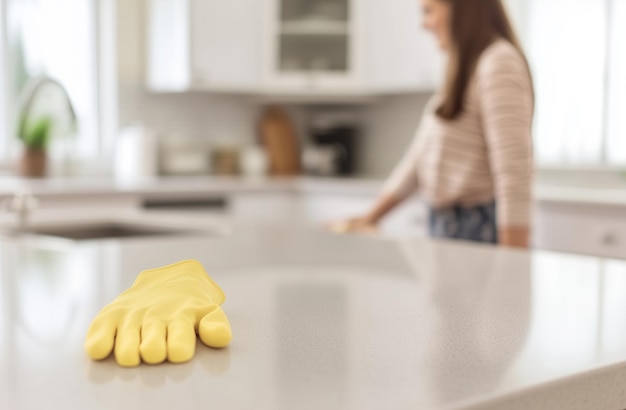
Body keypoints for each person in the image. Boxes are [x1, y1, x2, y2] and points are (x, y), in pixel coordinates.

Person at [335, 0, 534, 248]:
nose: (424, 24)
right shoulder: (463, 68)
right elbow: (418, 160)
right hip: (447, 226)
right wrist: (368, 219)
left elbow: (513, 176)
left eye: (429, 11)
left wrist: (511, 265)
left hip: (477, 229)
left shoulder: (498, 63)